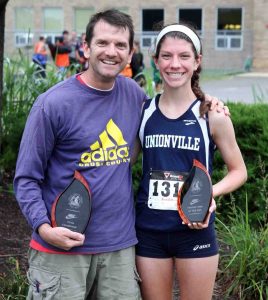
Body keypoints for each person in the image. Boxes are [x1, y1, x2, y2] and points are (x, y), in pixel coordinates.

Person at [14, 9, 228, 299]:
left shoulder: (134, 96)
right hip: (62, 245)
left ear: (130, 54)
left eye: (120, 46)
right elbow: (26, 178)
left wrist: (210, 102)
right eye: (102, 43)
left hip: (120, 250)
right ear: (86, 47)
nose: (111, 52)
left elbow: (173, 108)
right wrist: (43, 228)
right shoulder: (52, 104)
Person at [134, 24, 247, 300]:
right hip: (149, 231)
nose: (175, 64)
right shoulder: (143, 111)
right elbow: (121, 163)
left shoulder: (213, 115)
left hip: (195, 229)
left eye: (184, 56)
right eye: (167, 56)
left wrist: (210, 194)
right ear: (156, 60)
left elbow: (239, 171)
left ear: (197, 62)